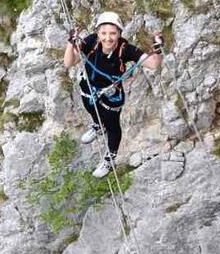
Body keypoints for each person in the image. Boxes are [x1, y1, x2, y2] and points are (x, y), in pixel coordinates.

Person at [64, 11, 163, 178]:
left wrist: (158, 50)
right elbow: (69, 62)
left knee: (112, 126)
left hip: (111, 95)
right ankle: (97, 126)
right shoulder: (91, 42)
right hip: (89, 87)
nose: (108, 38)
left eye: (113, 33)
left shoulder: (126, 50)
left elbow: (153, 64)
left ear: (119, 34)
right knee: (89, 106)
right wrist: (70, 43)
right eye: (104, 33)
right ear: (98, 33)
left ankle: (109, 159)